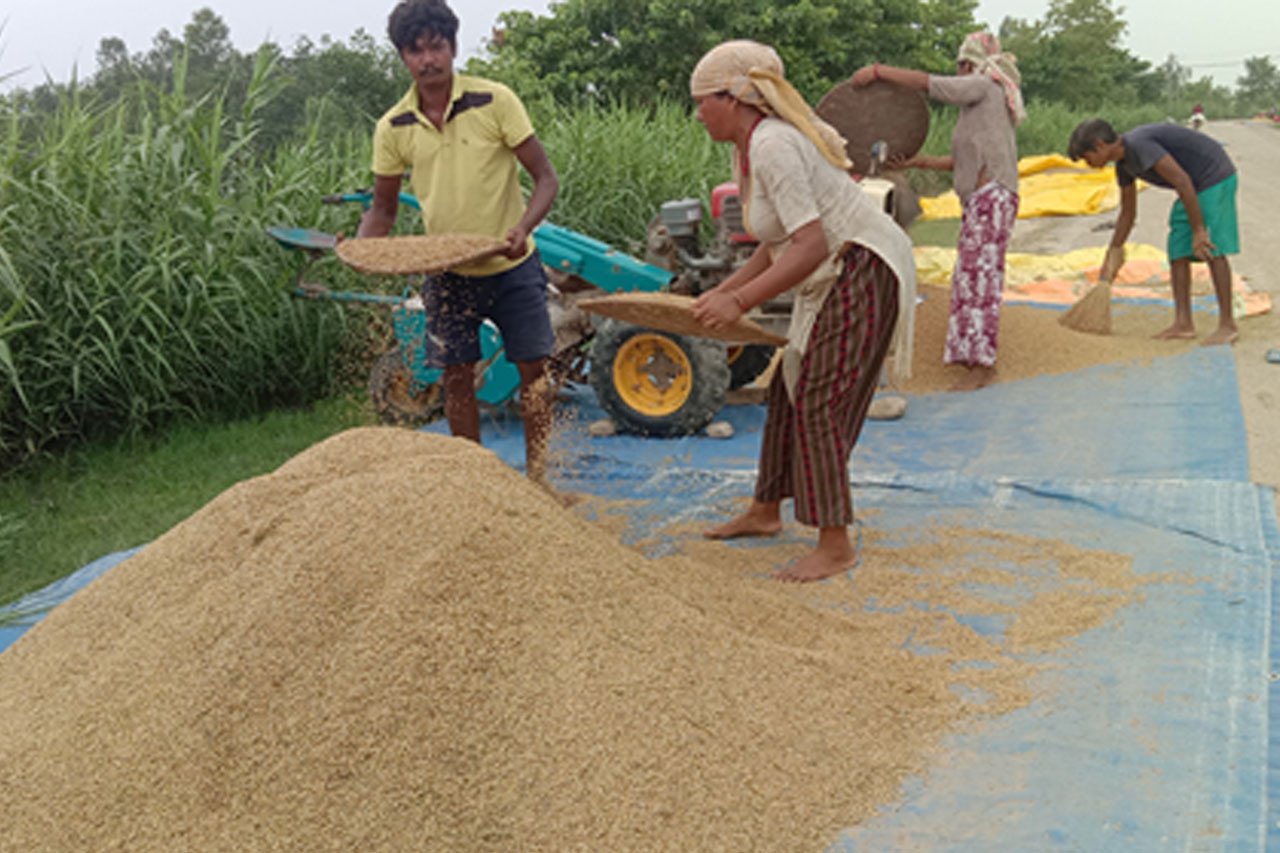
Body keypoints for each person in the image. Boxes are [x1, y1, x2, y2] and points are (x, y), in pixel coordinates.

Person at [687, 40, 917, 583]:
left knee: (820, 394)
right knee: (786, 390)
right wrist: (723, 291)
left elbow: (810, 245)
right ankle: (766, 511)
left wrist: (740, 300)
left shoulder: (773, 144)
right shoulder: (749, 148)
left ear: (736, 96)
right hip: (837, 263)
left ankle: (834, 542)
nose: (698, 113)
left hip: (861, 263)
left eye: (703, 101)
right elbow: (774, 243)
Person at [357, 0, 566, 499]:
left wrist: (522, 226)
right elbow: (383, 208)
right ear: (403, 57)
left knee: (534, 370)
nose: (429, 59)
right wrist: (367, 249)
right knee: (456, 375)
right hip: (447, 270)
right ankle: (474, 488)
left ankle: (540, 480)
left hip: (512, 261)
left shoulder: (494, 101)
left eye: (437, 47)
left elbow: (545, 179)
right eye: (416, 50)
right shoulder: (394, 126)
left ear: (453, 46)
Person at [850, 32, 1025, 392]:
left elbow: (931, 85)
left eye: (964, 63)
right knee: (967, 278)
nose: (959, 70)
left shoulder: (984, 87)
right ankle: (968, 354)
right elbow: (963, 157)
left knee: (980, 281)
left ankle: (982, 365)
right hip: (981, 201)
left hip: (991, 198)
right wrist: (922, 162)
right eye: (959, 64)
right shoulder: (979, 106)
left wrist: (879, 71)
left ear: (979, 64)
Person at [1067, 118, 1240, 346]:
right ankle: (1183, 323)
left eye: (1087, 158)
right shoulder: (1124, 166)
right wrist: (1113, 254)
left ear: (1100, 145)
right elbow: (1128, 214)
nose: (1088, 164)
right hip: (1192, 185)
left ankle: (1227, 325)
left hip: (1213, 176)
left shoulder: (1139, 145)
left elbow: (1182, 180)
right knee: (1177, 249)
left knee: (1210, 246)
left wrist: (1198, 231)